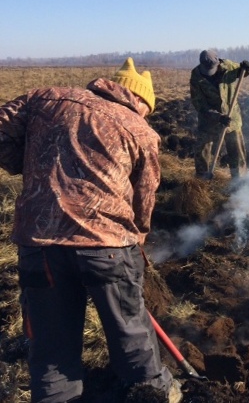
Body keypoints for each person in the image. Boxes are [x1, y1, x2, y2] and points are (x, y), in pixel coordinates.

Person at [0, 58, 182, 403]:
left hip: (40, 245)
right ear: (140, 100)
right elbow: (145, 202)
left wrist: (27, 163)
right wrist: (137, 239)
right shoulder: (140, 130)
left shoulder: (46, 99)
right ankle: (155, 393)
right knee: (131, 334)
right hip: (108, 246)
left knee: (52, 352)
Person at [190, 49, 249, 179]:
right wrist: (217, 116)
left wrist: (247, 68)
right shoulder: (196, 76)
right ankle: (202, 182)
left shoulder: (228, 66)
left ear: (217, 63)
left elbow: (241, 72)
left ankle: (239, 182)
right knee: (202, 151)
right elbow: (200, 105)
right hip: (209, 120)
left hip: (231, 117)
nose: (209, 73)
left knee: (236, 149)